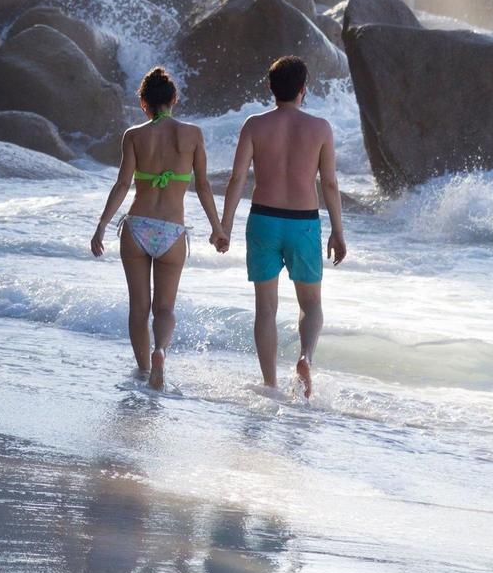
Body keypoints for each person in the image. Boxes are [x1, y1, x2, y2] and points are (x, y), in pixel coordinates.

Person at [91, 66, 228, 389]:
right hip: (172, 232)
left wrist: (101, 226)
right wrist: (217, 228)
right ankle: (160, 351)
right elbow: (204, 186)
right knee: (164, 307)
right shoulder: (193, 134)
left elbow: (123, 184)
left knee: (139, 307)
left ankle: (142, 372)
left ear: (143, 104)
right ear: (174, 100)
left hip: (136, 227)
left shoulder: (134, 136)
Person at [220, 55, 347, 398]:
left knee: (266, 307)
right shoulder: (320, 128)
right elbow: (330, 184)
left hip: (263, 220)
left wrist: (224, 226)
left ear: (270, 88)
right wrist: (338, 230)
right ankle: (305, 357)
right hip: (302, 224)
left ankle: (270, 384)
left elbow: (236, 178)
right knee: (311, 305)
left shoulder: (254, 125)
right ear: (304, 89)